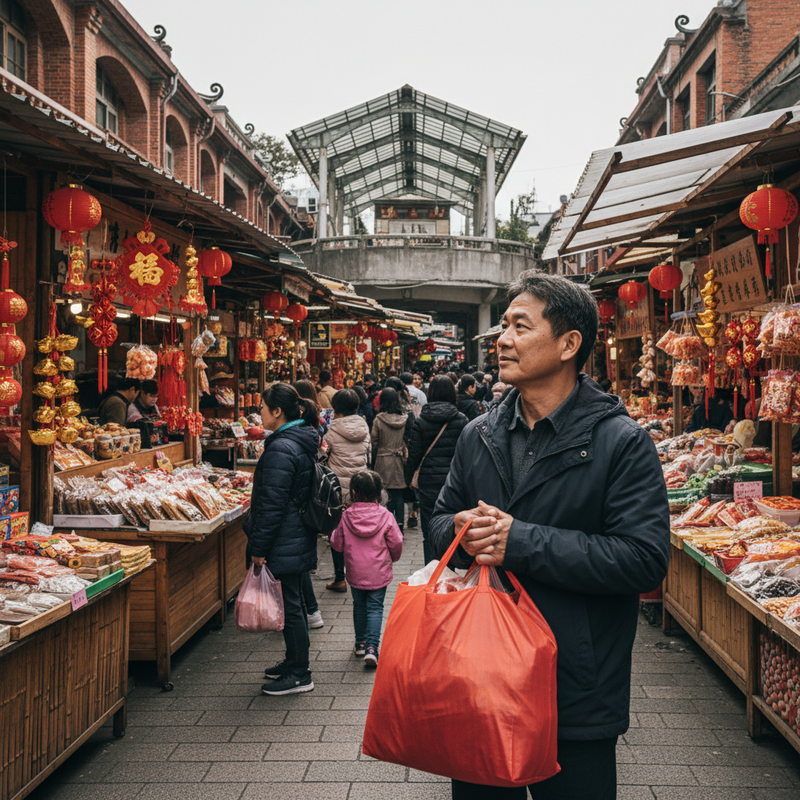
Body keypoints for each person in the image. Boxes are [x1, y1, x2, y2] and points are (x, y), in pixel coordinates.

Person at [428, 269, 670, 799]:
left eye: (519, 326)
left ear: (568, 344)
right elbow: (439, 522)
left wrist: (520, 541)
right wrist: (464, 532)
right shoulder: (479, 435)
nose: (502, 340)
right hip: (482, 679)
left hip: (573, 688)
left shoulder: (621, 444)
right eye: (503, 327)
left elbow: (644, 560)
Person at [248, 383, 320, 696]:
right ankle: (293, 662)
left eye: (262, 408)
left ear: (277, 411)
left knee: (290, 606)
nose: (259, 413)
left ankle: (299, 673)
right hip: (295, 533)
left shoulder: (281, 447)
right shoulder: (297, 439)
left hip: (284, 536)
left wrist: (258, 548)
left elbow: (271, 504)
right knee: (293, 602)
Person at [330, 469, 403, 668]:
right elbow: (396, 542)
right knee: (375, 608)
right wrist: (393, 558)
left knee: (359, 606)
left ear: (353, 492)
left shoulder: (346, 516)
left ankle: (360, 643)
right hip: (378, 571)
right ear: (379, 492)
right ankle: (372, 648)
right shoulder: (386, 516)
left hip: (355, 570)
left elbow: (336, 543)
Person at [404, 375, 468, 565]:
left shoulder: (421, 421)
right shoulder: (462, 420)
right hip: (454, 484)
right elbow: (468, 454)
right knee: (451, 527)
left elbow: (413, 454)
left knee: (430, 530)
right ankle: (450, 572)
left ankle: (432, 573)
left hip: (428, 483)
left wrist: (409, 480)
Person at [323, 388, 371, 593]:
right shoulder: (364, 427)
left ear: (336, 409)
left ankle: (340, 578)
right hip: (360, 485)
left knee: (337, 531)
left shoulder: (332, 430)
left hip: (338, 488)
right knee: (359, 529)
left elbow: (324, 455)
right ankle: (362, 573)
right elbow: (368, 452)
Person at [371, 387, 410, 532]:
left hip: (382, 460)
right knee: (399, 494)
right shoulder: (404, 419)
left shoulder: (378, 419)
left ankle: (385, 524)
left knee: (383, 493)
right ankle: (400, 524)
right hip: (399, 460)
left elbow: (374, 440)